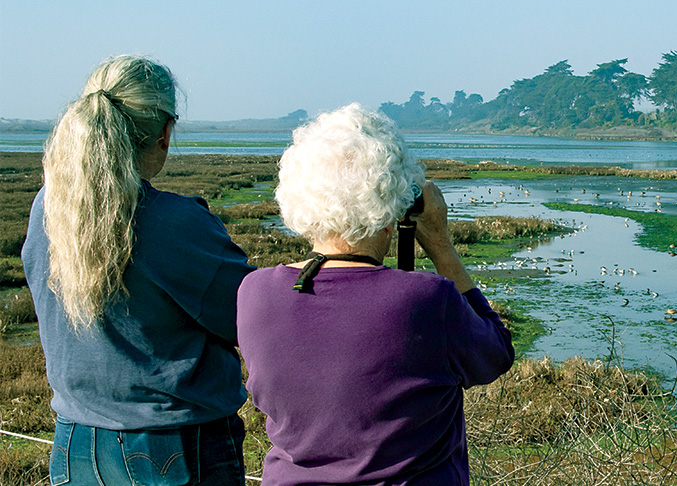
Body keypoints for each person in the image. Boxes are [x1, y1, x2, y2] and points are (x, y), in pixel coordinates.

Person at [236, 103, 514, 485]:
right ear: (392, 207)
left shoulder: (255, 292)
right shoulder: (427, 299)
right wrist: (440, 244)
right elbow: (494, 355)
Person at [22, 55, 253, 485]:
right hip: (174, 447)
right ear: (164, 134)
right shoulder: (174, 223)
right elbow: (251, 317)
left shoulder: (47, 209)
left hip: (75, 441)